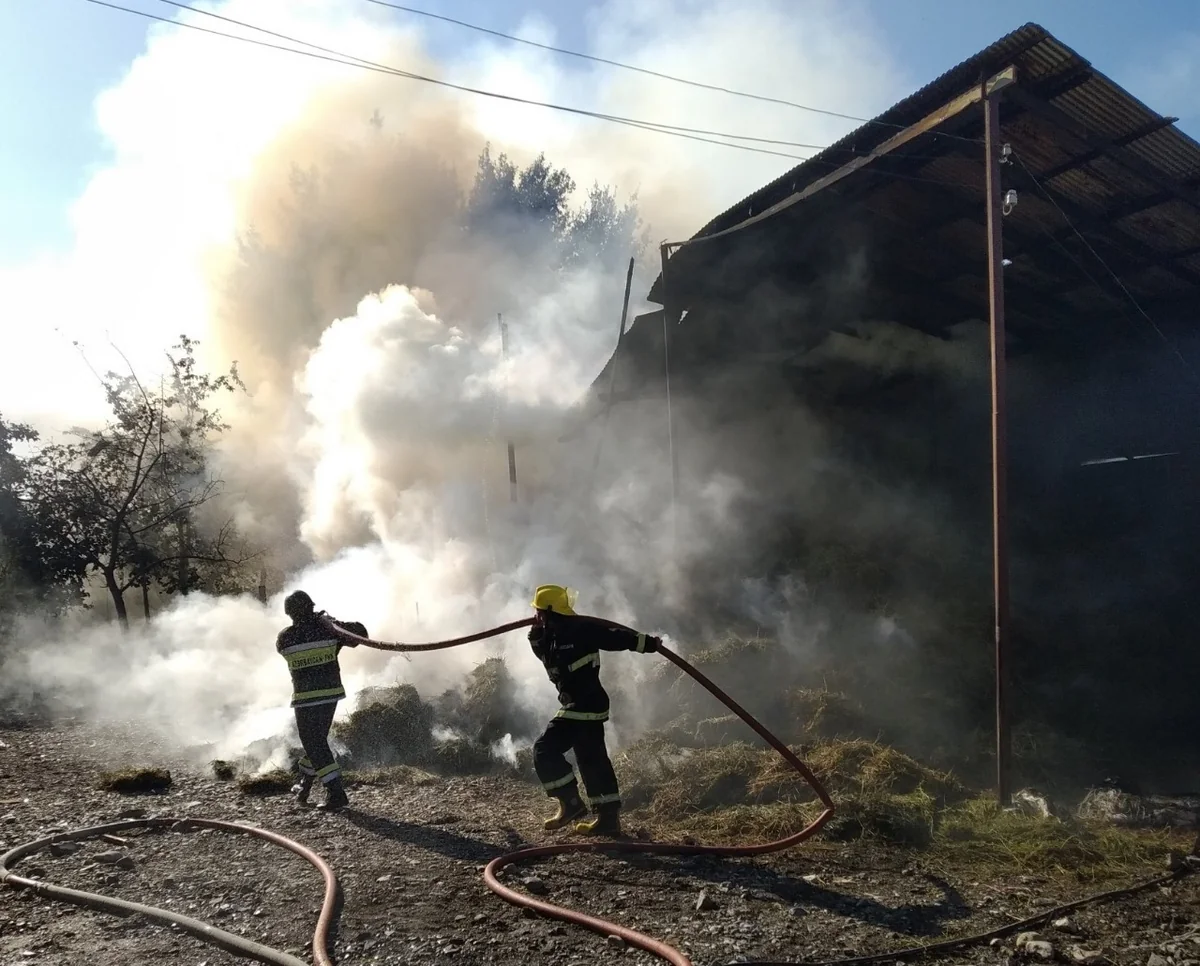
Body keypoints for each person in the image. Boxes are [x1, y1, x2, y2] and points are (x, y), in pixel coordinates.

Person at [528, 584, 661, 837]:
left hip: (583, 704)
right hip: (581, 706)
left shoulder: (581, 629)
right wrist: (535, 635)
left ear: (548, 612)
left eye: (539, 611)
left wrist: (648, 643)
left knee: (544, 750)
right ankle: (608, 820)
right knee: (592, 760)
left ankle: (571, 803)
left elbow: (616, 637)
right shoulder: (551, 637)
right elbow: (546, 658)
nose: (536, 615)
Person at [276, 589, 368, 811]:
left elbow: (287, 645)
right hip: (329, 695)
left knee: (314, 743)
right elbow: (361, 634)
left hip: (306, 698)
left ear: (290, 613)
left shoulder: (285, 637)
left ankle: (336, 792)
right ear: (311, 607)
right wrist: (333, 623)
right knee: (316, 742)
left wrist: (327, 625)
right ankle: (305, 784)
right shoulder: (329, 631)